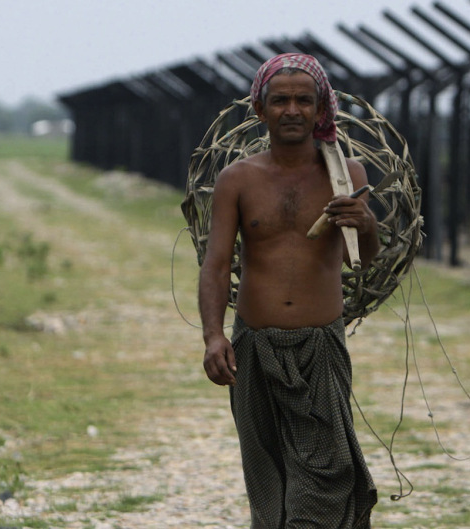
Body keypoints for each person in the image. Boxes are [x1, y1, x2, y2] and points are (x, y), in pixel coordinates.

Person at [198, 53, 380, 528]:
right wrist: (214, 336)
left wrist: (367, 223)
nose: (293, 110)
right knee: (268, 479)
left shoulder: (347, 176)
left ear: (322, 108)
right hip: (253, 347)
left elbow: (366, 255)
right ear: (261, 109)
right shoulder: (238, 179)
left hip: (320, 345)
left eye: (305, 99)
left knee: (325, 478)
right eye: (280, 100)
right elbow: (217, 265)